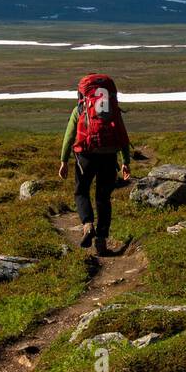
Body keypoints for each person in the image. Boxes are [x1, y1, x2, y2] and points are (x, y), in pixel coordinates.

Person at [57, 73, 131, 256]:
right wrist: (125, 162)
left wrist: (64, 161)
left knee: (81, 191)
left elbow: (69, 137)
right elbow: (122, 135)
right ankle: (101, 241)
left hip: (86, 157)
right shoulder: (112, 109)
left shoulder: (80, 109)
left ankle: (88, 224)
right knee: (103, 198)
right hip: (109, 156)